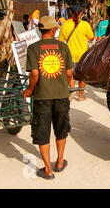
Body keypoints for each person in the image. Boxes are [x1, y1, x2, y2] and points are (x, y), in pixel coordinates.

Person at [24, 16, 75, 180]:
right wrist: (70, 87)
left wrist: (30, 90)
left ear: (41, 29)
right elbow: (69, 73)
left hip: (42, 97)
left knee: (42, 132)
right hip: (61, 96)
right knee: (61, 129)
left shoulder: (33, 48)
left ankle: (47, 169)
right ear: (54, 30)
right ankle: (60, 162)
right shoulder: (63, 47)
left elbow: (34, 74)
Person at [58, 5, 94, 101]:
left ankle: (72, 89)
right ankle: (80, 96)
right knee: (82, 76)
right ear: (81, 13)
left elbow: (61, 41)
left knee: (71, 74)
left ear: (71, 13)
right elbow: (91, 38)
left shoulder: (65, 24)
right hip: (83, 55)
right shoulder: (85, 25)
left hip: (70, 54)